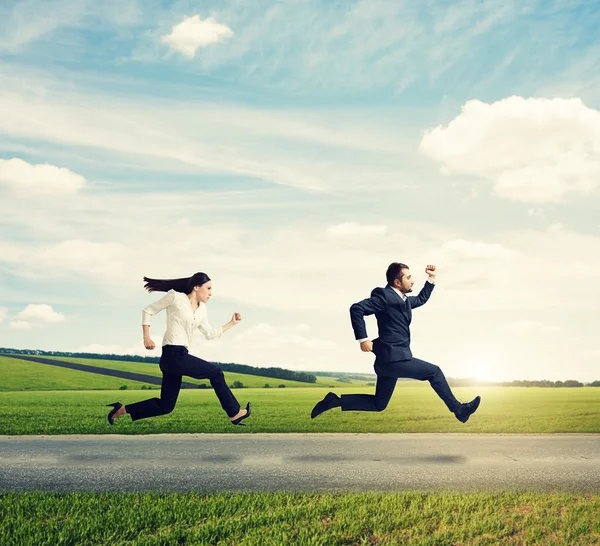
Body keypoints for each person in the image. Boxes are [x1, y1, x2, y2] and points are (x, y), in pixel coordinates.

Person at [311, 263, 480, 422]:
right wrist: (363, 339)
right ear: (397, 282)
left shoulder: (404, 300)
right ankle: (459, 410)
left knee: (379, 404)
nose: (412, 280)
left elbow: (421, 299)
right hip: (394, 358)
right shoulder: (385, 296)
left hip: (388, 362)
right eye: (408, 277)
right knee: (434, 372)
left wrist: (431, 278)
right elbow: (357, 309)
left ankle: (334, 401)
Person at [106, 272, 251, 426]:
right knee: (215, 373)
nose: (210, 293)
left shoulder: (202, 310)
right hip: (172, 354)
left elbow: (209, 333)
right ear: (196, 287)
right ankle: (234, 413)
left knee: (166, 406)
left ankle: (121, 410)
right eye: (208, 288)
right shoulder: (175, 297)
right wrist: (146, 338)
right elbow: (148, 310)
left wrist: (231, 323)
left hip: (178, 358)